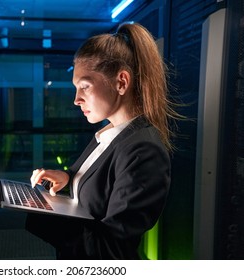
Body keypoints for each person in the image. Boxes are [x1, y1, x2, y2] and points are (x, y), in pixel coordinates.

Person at [26, 22, 178, 259]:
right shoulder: (110, 134)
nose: (76, 99)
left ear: (121, 83)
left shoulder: (144, 150)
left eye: (84, 86)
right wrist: (67, 179)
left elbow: (109, 249)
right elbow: (99, 188)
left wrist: (41, 211)